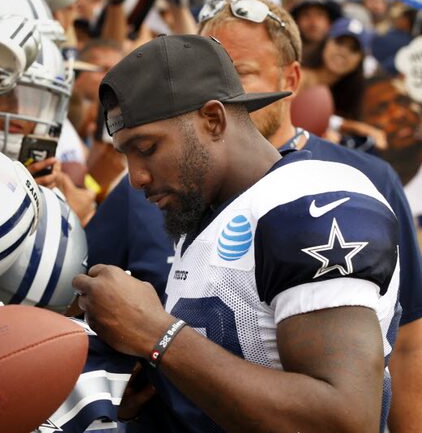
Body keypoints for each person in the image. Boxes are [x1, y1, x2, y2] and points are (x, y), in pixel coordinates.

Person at [75, 34, 400, 432]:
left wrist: (157, 335)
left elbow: (344, 419)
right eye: (126, 154)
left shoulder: (310, 203)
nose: (137, 176)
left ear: (212, 119)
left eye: (146, 148)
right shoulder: (209, 214)